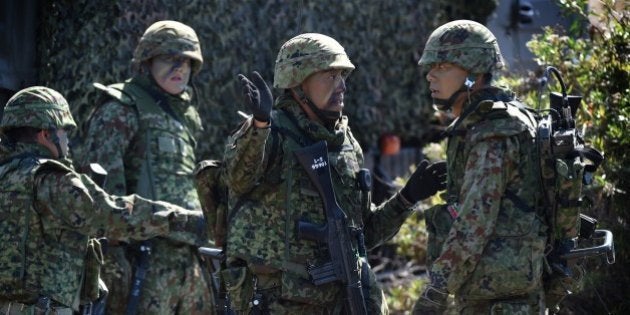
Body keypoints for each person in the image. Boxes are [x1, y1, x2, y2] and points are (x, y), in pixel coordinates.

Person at [223, 33, 446, 314]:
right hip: (279, 304)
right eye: (329, 76)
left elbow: (363, 233)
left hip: (340, 302)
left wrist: (406, 199)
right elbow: (237, 177)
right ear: (297, 82)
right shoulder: (270, 135)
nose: (341, 85)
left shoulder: (346, 144)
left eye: (342, 76)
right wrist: (259, 125)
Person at [0, 86, 207, 315]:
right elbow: (115, 215)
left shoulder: (7, 176)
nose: (67, 139)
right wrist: (182, 219)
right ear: (45, 135)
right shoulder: (51, 181)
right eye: (64, 131)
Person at [412, 20, 548, 314]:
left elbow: (475, 221)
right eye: (431, 67)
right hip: (499, 293)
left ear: (473, 75)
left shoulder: (494, 131)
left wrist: (434, 294)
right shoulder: (490, 122)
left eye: (443, 67)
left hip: (500, 300)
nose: (430, 76)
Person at [80, 20, 213, 314]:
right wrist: (114, 259)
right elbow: (100, 196)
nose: (180, 68)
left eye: (188, 62)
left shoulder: (186, 116)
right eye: (170, 59)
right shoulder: (121, 107)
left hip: (188, 258)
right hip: (141, 257)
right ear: (147, 61)